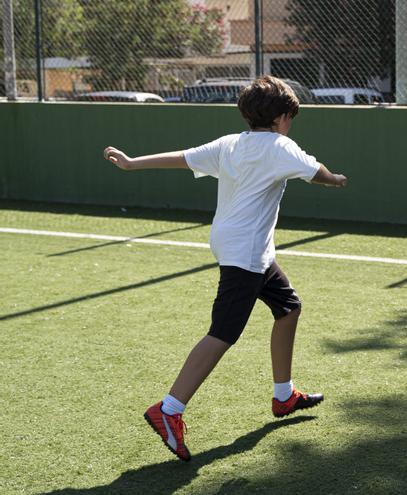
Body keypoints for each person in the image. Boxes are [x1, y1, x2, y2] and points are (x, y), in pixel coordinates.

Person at [102, 76, 348, 461]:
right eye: (291, 119)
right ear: (283, 117)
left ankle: (284, 396)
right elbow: (317, 171)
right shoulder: (281, 146)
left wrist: (134, 164)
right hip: (246, 251)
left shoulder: (230, 143)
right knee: (223, 333)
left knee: (288, 308)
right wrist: (335, 181)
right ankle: (168, 409)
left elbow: (182, 157)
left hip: (243, 246)